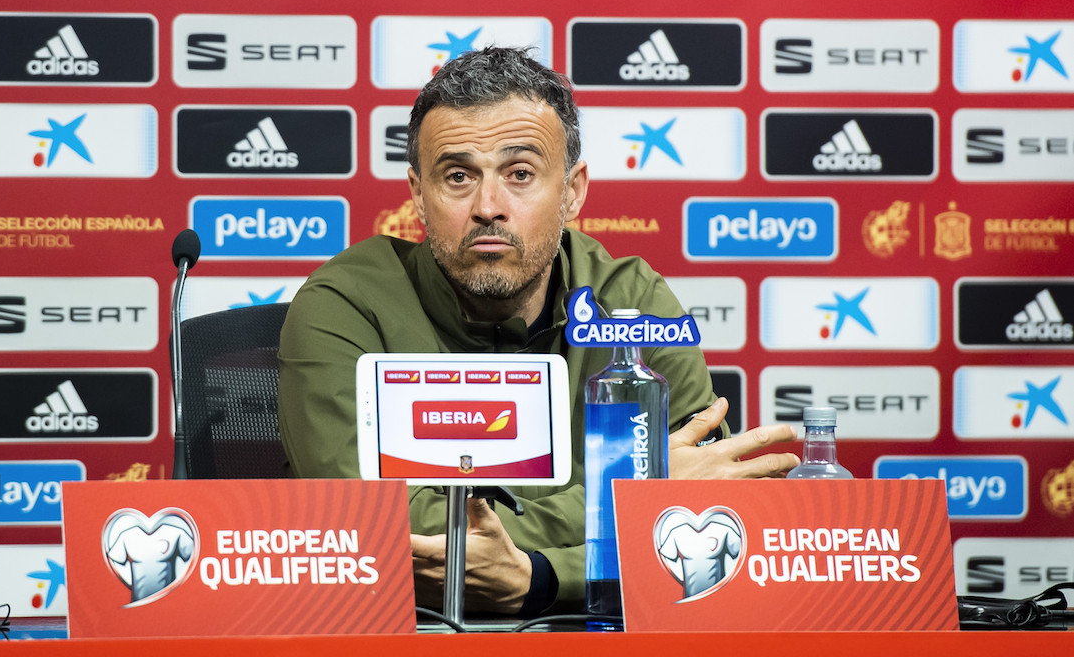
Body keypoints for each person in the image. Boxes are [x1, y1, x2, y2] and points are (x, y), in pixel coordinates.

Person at [278, 47, 799, 616]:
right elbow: (366, 527)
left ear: (572, 192)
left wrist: (544, 576)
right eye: (457, 177)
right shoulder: (345, 305)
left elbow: (711, 512)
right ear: (418, 196)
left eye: (520, 173)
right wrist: (626, 504)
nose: (489, 207)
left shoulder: (628, 300)